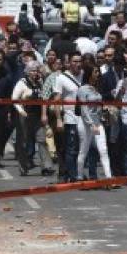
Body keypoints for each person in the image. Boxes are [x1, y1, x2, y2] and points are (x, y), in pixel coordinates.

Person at [11, 61, 54, 176]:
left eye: (36, 70)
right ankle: (23, 167)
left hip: (37, 115)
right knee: (24, 142)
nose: (35, 73)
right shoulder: (22, 83)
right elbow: (14, 99)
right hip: (25, 115)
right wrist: (21, 111)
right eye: (33, 71)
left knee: (42, 140)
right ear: (27, 72)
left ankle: (47, 166)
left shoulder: (40, 82)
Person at [76, 65, 113, 184]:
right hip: (86, 124)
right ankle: (80, 177)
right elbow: (84, 109)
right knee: (84, 150)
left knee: (103, 150)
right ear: (89, 73)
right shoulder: (83, 89)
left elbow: (98, 106)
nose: (98, 74)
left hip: (98, 122)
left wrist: (104, 112)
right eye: (96, 71)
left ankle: (109, 178)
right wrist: (91, 124)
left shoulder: (96, 88)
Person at [51, 52, 84, 181]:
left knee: (80, 148)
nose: (77, 64)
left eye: (79, 61)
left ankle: (77, 172)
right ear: (69, 63)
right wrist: (59, 119)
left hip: (83, 118)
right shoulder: (61, 78)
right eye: (74, 61)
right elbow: (57, 100)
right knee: (71, 148)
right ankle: (71, 175)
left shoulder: (84, 75)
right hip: (69, 118)